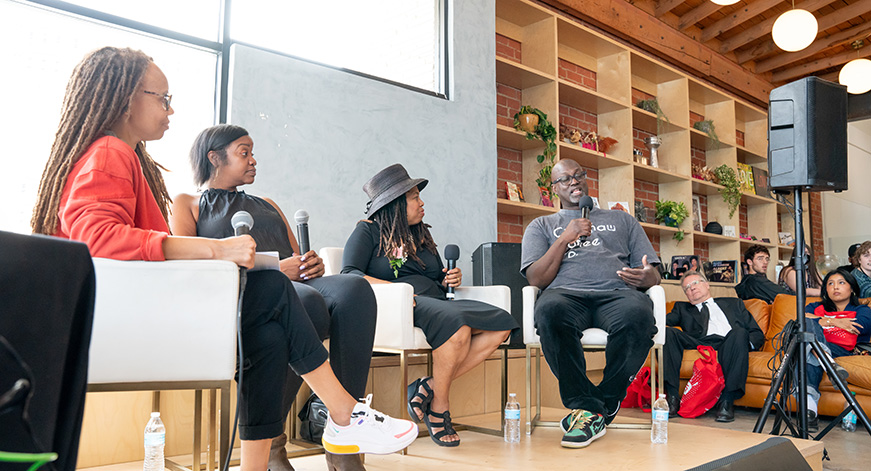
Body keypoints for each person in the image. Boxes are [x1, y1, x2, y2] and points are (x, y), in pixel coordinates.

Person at [30, 47, 415, 471]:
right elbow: (98, 237)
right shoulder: (110, 152)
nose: (170, 110)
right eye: (163, 98)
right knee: (272, 287)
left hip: (143, 312)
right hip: (131, 321)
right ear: (125, 98)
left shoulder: (123, 156)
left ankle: (275, 455)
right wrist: (218, 249)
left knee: (269, 334)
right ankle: (344, 414)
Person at [170, 124, 379, 471]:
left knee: (354, 289)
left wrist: (310, 264)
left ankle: (343, 436)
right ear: (214, 157)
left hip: (297, 289)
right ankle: (272, 440)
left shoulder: (268, 205)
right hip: (250, 296)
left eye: (253, 152)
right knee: (306, 302)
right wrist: (279, 270)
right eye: (244, 152)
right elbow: (193, 267)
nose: (253, 160)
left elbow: (297, 259)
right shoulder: (187, 204)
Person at [341, 163, 517, 447]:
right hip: (403, 305)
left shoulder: (420, 234)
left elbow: (435, 275)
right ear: (396, 204)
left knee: (502, 323)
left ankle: (429, 386)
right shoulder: (368, 232)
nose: (422, 203)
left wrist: (450, 279)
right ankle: (439, 408)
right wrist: (396, 290)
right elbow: (349, 274)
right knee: (458, 328)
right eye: (415, 197)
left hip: (438, 302)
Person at [520, 159, 660, 449]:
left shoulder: (623, 220)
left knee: (639, 315)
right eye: (565, 179)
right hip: (566, 295)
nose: (574, 181)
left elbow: (653, 272)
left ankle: (591, 408)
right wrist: (565, 238)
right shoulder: (541, 225)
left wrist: (647, 276)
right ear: (554, 188)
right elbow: (536, 278)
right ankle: (597, 406)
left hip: (617, 293)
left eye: (578, 175)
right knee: (548, 311)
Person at [664, 271, 764, 422]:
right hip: (699, 342)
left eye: (695, 283)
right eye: (687, 288)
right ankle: (672, 398)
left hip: (729, 342)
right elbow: (661, 321)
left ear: (707, 284)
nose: (692, 288)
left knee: (739, 332)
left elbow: (756, 332)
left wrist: (742, 345)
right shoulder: (681, 308)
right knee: (667, 333)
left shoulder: (734, 303)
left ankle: (727, 401)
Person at [801, 268, 871, 431]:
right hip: (818, 347)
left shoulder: (862, 310)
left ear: (852, 288)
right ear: (825, 289)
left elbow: (858, 327)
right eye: (830, 284)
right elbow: (802, 320)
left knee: (806, 346)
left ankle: (810, 410)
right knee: (806, 339)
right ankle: (828, 363)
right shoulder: (815, 306)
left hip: (842, 349)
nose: (835, 287)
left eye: (841, 283)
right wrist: (836, 322)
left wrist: (821, 321)